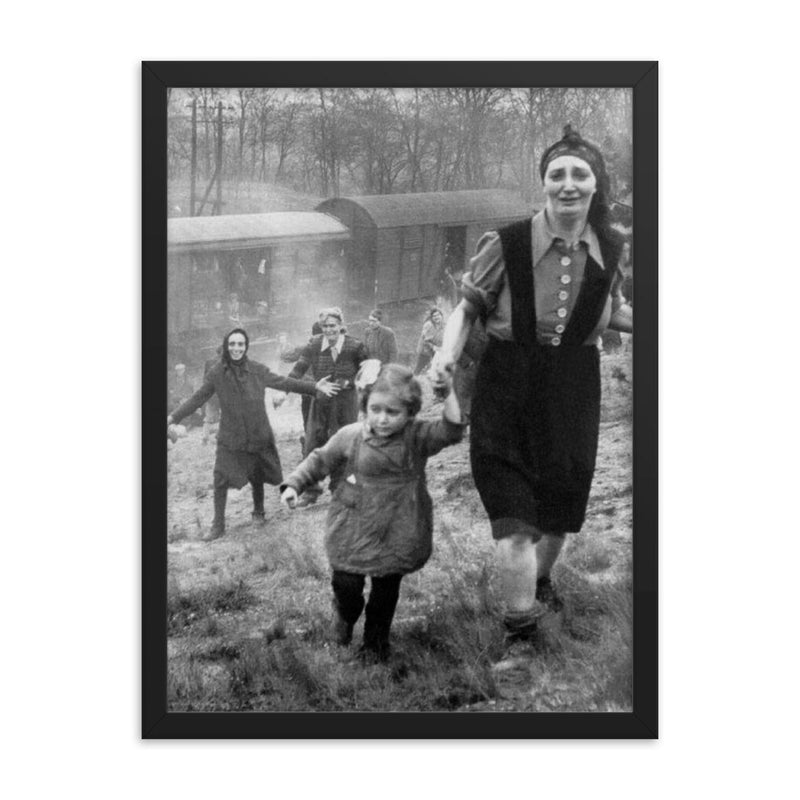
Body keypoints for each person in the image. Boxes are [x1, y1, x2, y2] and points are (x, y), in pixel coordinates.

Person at [433, 125, 633, 642]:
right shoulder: (506, 243)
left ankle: (540, 583)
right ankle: (520, 634)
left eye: (579, 174)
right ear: (543, 184)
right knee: (516, 516)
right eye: (556, 174)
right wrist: (446, 356)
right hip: (508, 383)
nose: (567, 184)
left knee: (562, 509)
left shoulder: (611, 246)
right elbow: (467, 309)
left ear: (595, 184)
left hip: (574, 387)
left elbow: (611, 309)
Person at [280, 364, 464, 661]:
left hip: (399, 525)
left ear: (410, 412)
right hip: (352, 524)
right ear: (365, 405)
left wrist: (450, 389)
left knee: (385, 589)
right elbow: (319, 460)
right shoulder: (351, 435)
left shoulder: (416, 437)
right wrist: (294, 485)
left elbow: (452, 430)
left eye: (392, 412)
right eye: (375, 409)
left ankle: (375, 645)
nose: (382, 418)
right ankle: (344, 613)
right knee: (347, 584)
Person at [167, 328, 340, 541]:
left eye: (240, 344)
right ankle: (217, 524)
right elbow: (197, 398)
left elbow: (284, 382)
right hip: (230, 434)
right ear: (226, 346)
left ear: (246, 347)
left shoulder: (257, 370)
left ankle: (259, 512)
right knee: (220, 476)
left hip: (258, 431)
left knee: (257, 473)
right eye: (232, 344)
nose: (236, 348)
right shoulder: (216, 373)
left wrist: (314, 387)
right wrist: (172, 418)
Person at [286, 307, 369, 506]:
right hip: (320, 401)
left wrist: (348, 383)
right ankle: (311, 491)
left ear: (341, 326)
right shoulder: (314, 344)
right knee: (313, 443)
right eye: (325, 326)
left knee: (343, 445)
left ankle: (338, 489)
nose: (329, 330)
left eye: (333, 325)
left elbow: (369, 371)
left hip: (345, 403)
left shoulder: (355, 346)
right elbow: (298, 369)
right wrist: (284, 390)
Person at [414, 307, 444, 375]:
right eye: (434, 316)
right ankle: (412, 381)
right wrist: (434, 347)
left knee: (437, 367)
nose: (436, 317)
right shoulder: (428, 325)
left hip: (437, 350)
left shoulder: (442, 325)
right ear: (431, 318)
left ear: (441, 316)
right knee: (419, 368)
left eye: (438, 315)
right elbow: (425, 340)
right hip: (425, 350)